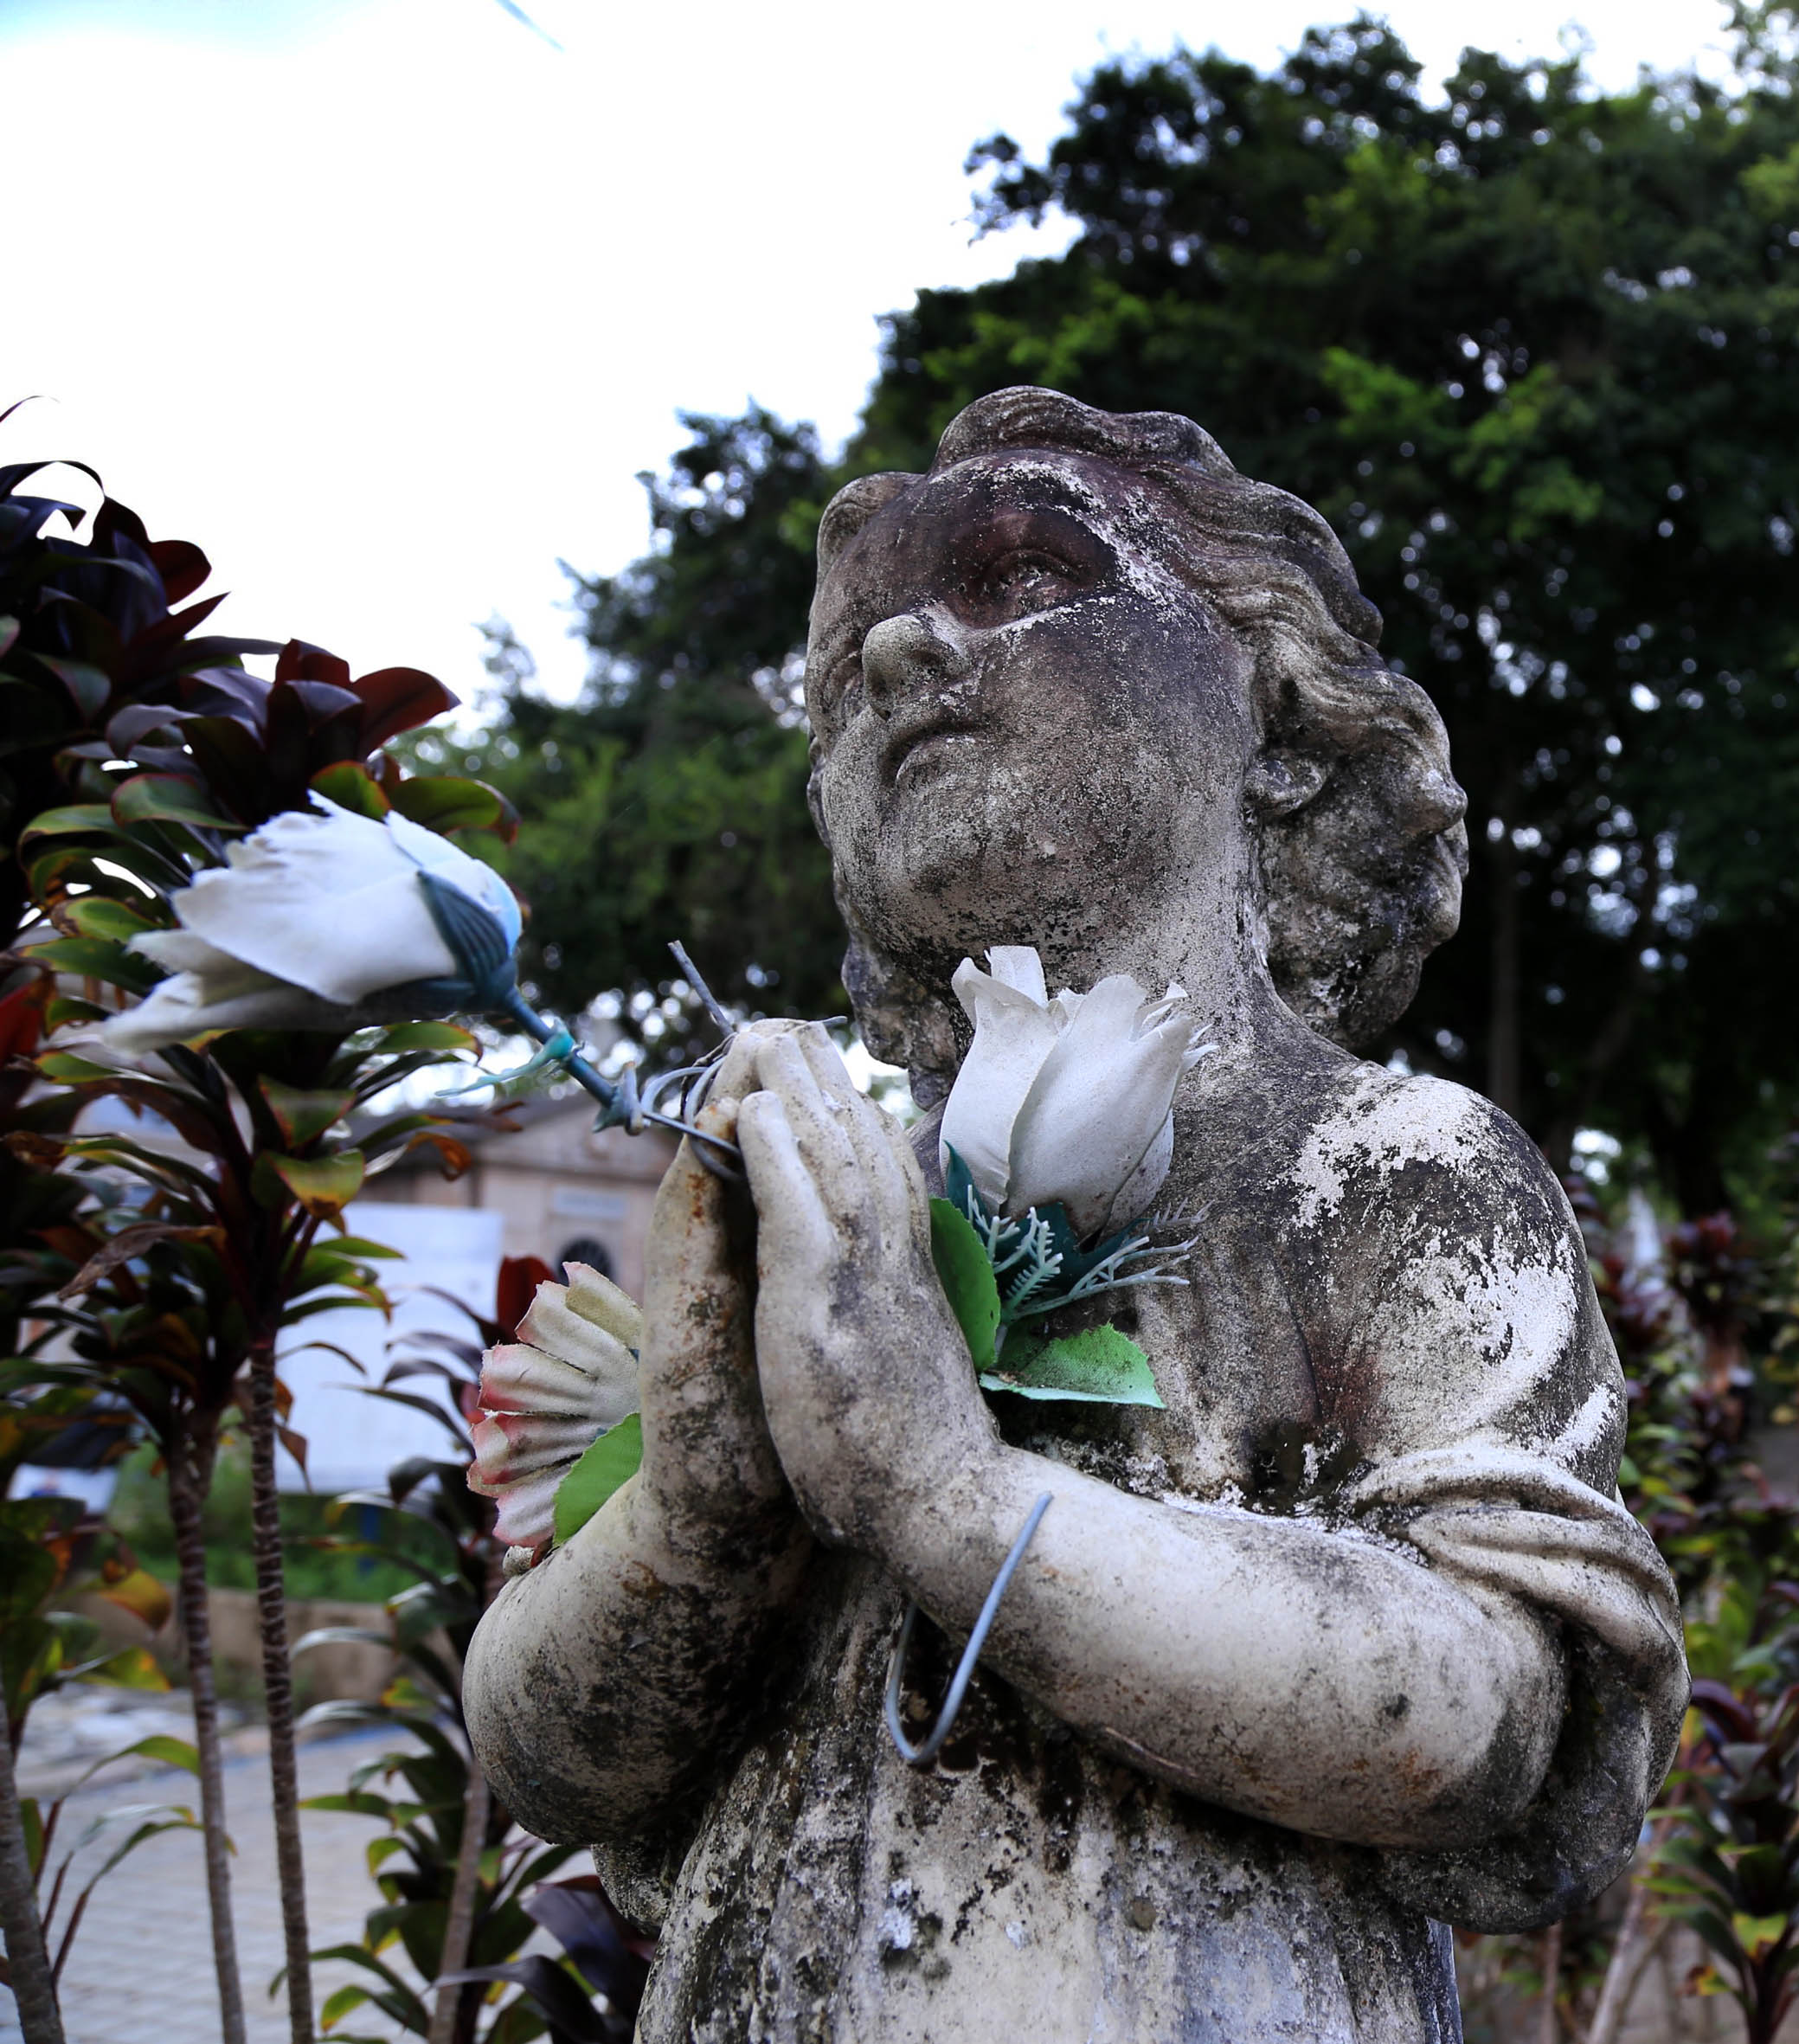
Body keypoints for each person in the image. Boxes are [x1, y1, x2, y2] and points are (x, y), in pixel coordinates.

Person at [464, 387, 1686, 2041]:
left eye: (1023, 575)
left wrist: (941, 1489)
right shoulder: (828, 1208)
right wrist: (702, 1513)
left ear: (1276, 720)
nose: (896, 654)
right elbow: (543, 1753)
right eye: (841, 667)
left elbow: (1491, 1717)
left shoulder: (1394, 1170)